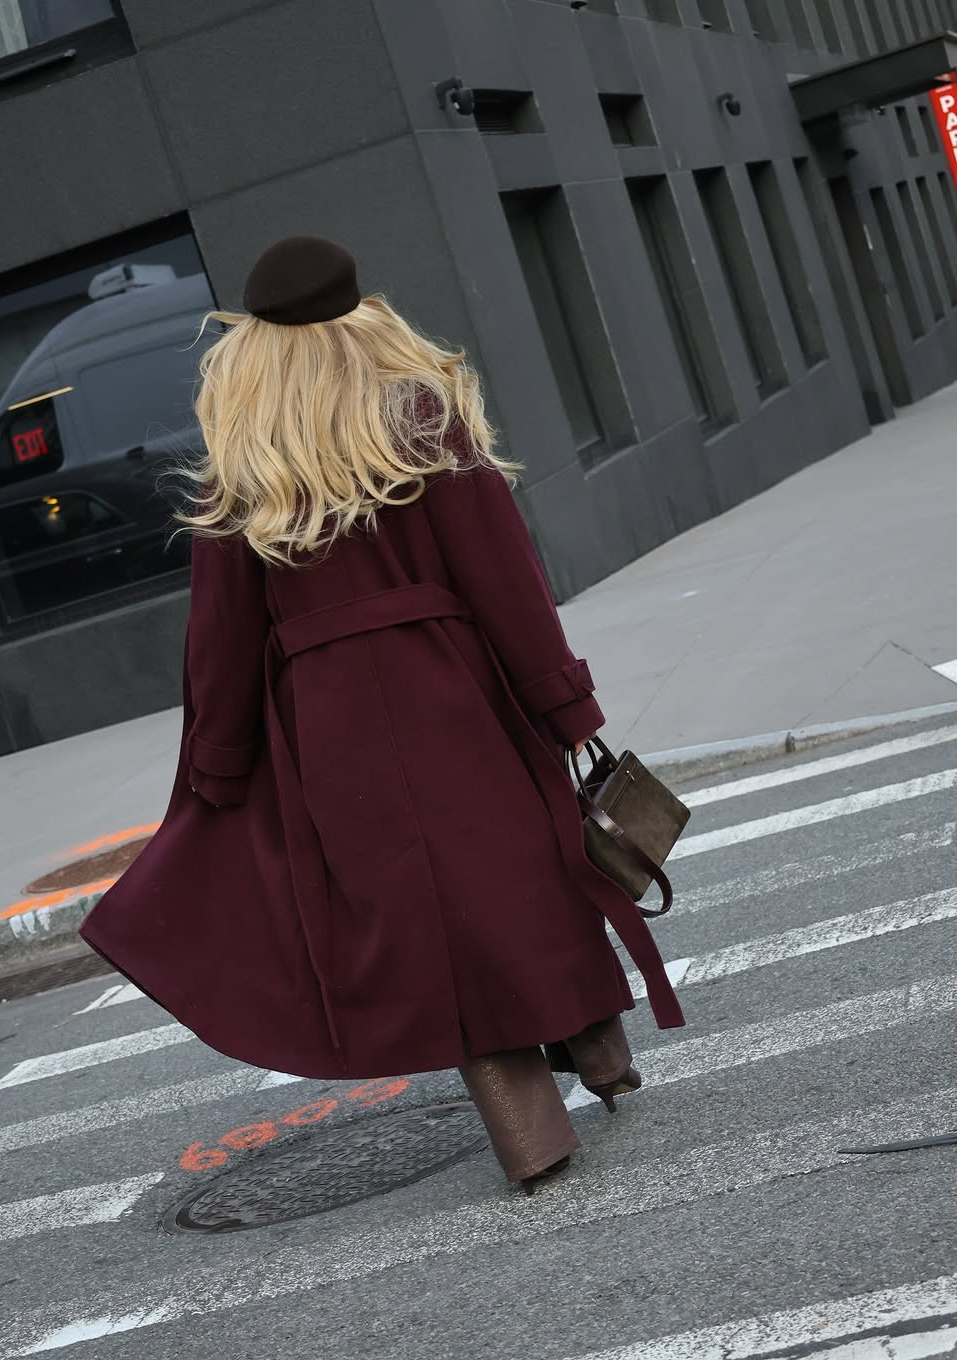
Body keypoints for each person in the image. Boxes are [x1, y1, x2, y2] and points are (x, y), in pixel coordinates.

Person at [80, 235, 684, 1195]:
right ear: (366, 317)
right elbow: (504, 581)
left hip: (330, 724)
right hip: (456, 691)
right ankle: (601, 1056)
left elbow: (222, 639)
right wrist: (564, 705)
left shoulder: (245, 461)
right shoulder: (423, 420)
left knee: (427, 920)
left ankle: (532, 1133)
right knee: (523, 874)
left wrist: (222, 763)